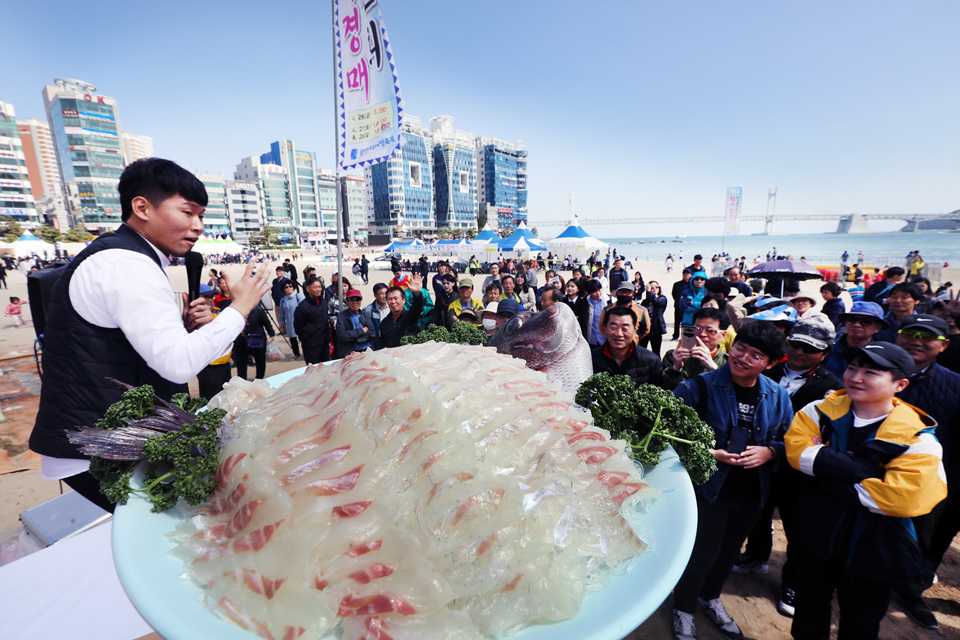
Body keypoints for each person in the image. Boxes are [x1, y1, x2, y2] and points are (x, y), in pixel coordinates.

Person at [29, 157, 271, 511]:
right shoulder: (126, 263)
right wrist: (240, 307)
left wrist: (183, 328)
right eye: (187, 212)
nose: (198, 226)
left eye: (201, 215)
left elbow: (135, 346)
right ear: (141, 207)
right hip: (99, 447)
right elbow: (177, 365)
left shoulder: (123, 255)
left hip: (106, 437)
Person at [785, 342, 946, 640]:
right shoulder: (818, 411)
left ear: (900, 384)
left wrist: (826, 470)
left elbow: (903, 498)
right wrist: (869, 471)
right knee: (808, 613)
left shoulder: (919, 437)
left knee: (861, 623)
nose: (856, 377)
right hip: (815, 532)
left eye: (871, 372)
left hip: (877, 547)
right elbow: (797, 454)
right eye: (852, 368)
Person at [672, 322, 793, 640]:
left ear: (770, 363)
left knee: (728, 553)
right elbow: (667, 435)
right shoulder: (698, 387)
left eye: (756, 355)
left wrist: (770, 452)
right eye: (740, 348)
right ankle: (683, 608)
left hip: (753, 493)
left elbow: (791, 440)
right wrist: (710, 453)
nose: (743, 358)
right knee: (701, 554)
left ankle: (710, 597)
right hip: (708, 490)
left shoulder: (777, 394)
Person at [732, 316, 843, 617]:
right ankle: (756, 556)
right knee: (758, 511)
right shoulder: (768, 369)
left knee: (799, 529)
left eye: (810, 348)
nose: (799, 352)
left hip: (800, 473)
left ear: (825, 353)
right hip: (761, 460)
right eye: (795, 344)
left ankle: (793, 582)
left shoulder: (833, 389)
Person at [891, 314, 960, 629]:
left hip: (930, 480)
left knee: (926, 539)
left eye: (927, 336)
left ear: (944, 345)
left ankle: (911, 590)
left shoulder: (955, 384)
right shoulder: (874, 370)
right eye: (910, 333)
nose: (916, 341)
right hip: (872, 471)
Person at [590, 306, 663, 387]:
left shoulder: (651, 361)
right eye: (614, 327)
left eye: (625, 328)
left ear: (634, 330)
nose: (619, 333)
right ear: (604, 328)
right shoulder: (591, 359)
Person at [662, 307, 730, 391]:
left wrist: (713, 368)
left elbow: (730, 392)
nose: (702, 334)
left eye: (710, 330)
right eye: (698, 329)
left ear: (723, 335)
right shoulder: (674, 356)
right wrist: (676, 369)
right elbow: (665, 391)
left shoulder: (728, 363)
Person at [196, 284, 233, 400]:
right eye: (206, 297)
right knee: (211, 399)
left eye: (211, 296)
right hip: (209, 366)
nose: (210, 299)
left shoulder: (216, 312)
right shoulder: (196, 316)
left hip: (224, 363)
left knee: (226, 398)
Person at [232, 298, 274, 380]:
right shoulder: (235, 311)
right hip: (241, 340)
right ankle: (242, 379)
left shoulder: (258, 310)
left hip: (256, 338)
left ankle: (259, 378)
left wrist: (271, 333)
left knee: (259, 360)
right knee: (241, 361)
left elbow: (266, 322)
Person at [380, 274, 425, 348]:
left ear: (403, 300)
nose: (393, 302)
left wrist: (417, 294)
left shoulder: (410, 316)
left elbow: (418, 308)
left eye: (396, 298)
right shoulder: (384, 323)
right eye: (390, 299)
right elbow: (383, 344)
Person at [294, 276, 331, 364]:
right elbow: (298, 327)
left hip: (324, 342)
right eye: (315, 287)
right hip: (311, 345)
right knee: (314, 369)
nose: (318, 289)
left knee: (326, 367)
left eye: (320, 287)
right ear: (308, 289)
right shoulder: (302, 307)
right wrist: (307, 339)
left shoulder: (324, 302)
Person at [334, 289, 374, 358]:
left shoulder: (365, 314)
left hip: (367, 351)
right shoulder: (342, 316)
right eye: (352, 299)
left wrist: (355, 338)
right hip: (351, 353)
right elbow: (342, 335)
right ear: (347, 301)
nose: (355, 302)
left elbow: (372, 332)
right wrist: (361, 331)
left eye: (358, 299)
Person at [640, 281, 668, 358]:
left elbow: (656, 301)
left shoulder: (662, 298)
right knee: (642, 349)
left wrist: (649, 292)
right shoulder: (645, 302)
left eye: (657, 287)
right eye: (652, 287)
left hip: (656, 328)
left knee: (656, 351)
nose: (655, 289)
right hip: (646, 328)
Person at [277, 280, 304, 359]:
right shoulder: (283, 300)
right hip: (289, 322)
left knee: (303, 339)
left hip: (300, 322)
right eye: (286, 287)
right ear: (283, 289)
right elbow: (282, 312)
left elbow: (305, 309)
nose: (289, 288)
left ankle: (307, 353)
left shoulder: (298, 297)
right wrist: (281, 323)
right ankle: (296, 354)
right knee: (292, 339)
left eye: (290, 286)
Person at [362, 283, 390, 350]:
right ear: (375, 295)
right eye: (381, 293)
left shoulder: (392, 306)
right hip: (377, 341)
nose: (384, 296)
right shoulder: (368, 310)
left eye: (386, 293)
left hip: (390, 338)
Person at [671, 269, 693, 340]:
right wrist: (679, 301)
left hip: (689, 307)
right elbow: (674, 294)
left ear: (690, 275)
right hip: (678, 305)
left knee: (687, 322)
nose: (686, 275)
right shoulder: (677, 284)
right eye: (684, 274)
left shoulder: (692, 285)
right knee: (677, 322)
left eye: (687, 274)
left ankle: (686, 336)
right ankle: (675, 335)